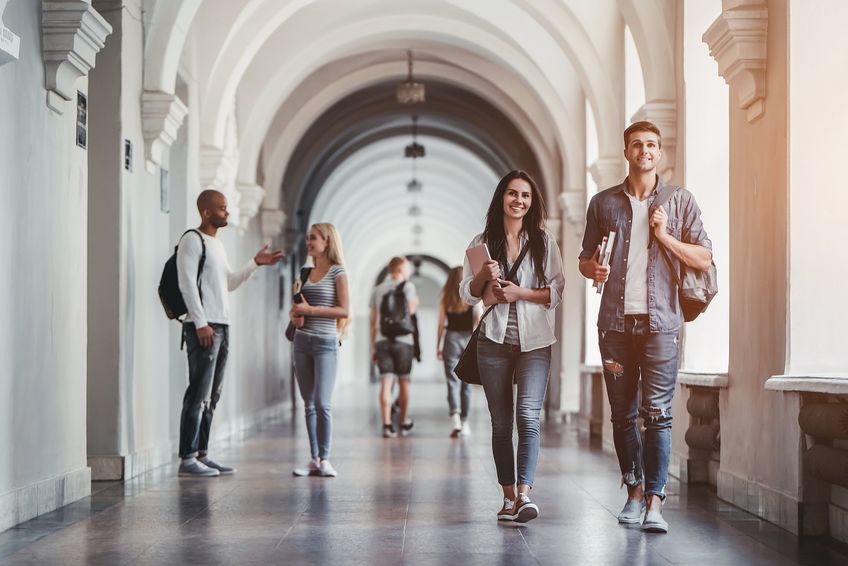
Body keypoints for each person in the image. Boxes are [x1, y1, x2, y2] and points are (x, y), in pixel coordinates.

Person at [578, 121, 713, 533]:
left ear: (659, 152)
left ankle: (655, 502)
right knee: (622, 415)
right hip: (615, 327)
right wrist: (592, 267)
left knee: (658, 415)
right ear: (627, 151)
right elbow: (584, 259)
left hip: (661, 325)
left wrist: (664, 236)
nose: (645, 150)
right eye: (637, 144)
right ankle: (633, 493)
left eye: (652, 144)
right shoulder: (603, 204)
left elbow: (704, 259)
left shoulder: (680, 201)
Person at [460, 170, 565, 523]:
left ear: (531, 203)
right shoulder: (481, 242)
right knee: (501, 422)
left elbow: (556, 292)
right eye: (512, 194)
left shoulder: (544, 242)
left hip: (535, 342)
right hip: (493, 342)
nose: (518, 201)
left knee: (528, 417)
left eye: (525, 195)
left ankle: (524, 494)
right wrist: (482, 275)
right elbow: (468, 295)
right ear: (501, 198)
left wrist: (520, 293)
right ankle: (507, 498)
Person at [177, 189, 283, 477]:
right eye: (222, 208)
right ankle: (187, 458)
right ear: (206, 212)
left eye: (227, 208)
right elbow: (186, 284)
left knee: (213, 394)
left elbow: (230, 283)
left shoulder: (218, 246)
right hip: (204, 325)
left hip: (222, 324)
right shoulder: (192, 240)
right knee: (198, 392)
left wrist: (254, 264)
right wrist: (200, 323)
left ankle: (202, 453)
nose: (228, 212)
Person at [289, 223, 349, 478]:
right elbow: (296, 309)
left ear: (327, 241)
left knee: (322, 403)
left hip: (326, 343)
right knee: (309, 404)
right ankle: (313, 459)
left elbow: (345, 311)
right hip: (301, 342)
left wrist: (311, 311)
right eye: (307, 239)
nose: (308, 243)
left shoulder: (338, 272)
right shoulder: (303, 273)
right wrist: (296, 316)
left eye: (313, 238)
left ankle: (325, 459)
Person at [370, 256, 418, 438]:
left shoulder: (378, 289)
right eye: (407, 269)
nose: (409, 272)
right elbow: (411, 311)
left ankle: (387, 425)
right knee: (404, 382)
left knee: (385, 383)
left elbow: (373, 320)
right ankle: (403, 423)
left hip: (382, 340)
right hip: (404, 340)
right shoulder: (408, 287)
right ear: (399, 269)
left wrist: (373, 347)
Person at [436, 266, 479, 437]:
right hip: (468, 339)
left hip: (450, 340)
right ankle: (465, 421)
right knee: (466, 383)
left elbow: (441, 324)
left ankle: (455, 417)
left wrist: (437, 346)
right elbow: (478, 321)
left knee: (452, 381)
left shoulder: (445, 297)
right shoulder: (472, 296)